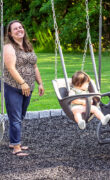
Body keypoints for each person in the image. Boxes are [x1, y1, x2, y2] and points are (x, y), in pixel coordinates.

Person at [3, 20, 44, 156]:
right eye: (15, 29)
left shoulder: (28, 46)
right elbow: (10, 67)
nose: (19, 30)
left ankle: (13, 141)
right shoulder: (9, 47)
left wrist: (40, 83)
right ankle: (16, 147)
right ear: (10, 33)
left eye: (21, 27)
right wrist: (22, 83)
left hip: (29, 87)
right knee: (15, 117)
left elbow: (35, 66)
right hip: (13, 86)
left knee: (20, 116)